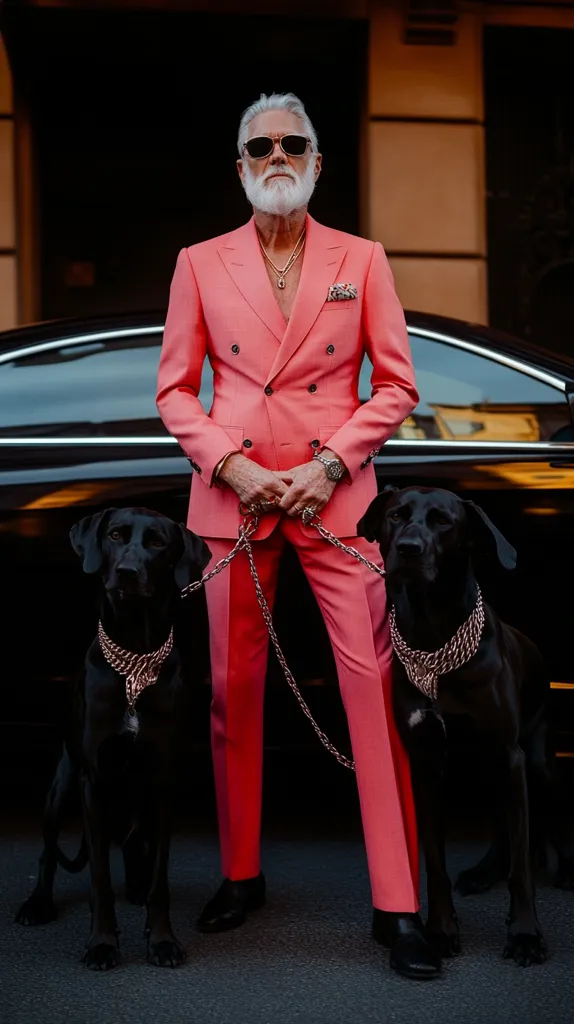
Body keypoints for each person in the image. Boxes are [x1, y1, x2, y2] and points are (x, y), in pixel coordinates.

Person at [157, 92, 440, 979]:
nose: (278, 156)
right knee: (231, 698)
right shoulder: (199, 262)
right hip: (236, 499)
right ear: (240, 164)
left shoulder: (364, 258)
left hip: (333, 497)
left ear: (319, 159)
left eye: (294, 143)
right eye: (261, 145)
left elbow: (394, 385)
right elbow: (174, 390)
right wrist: (229, 464)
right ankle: (241, 873)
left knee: (373, 695)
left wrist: (328, 465)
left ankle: (398, 904)